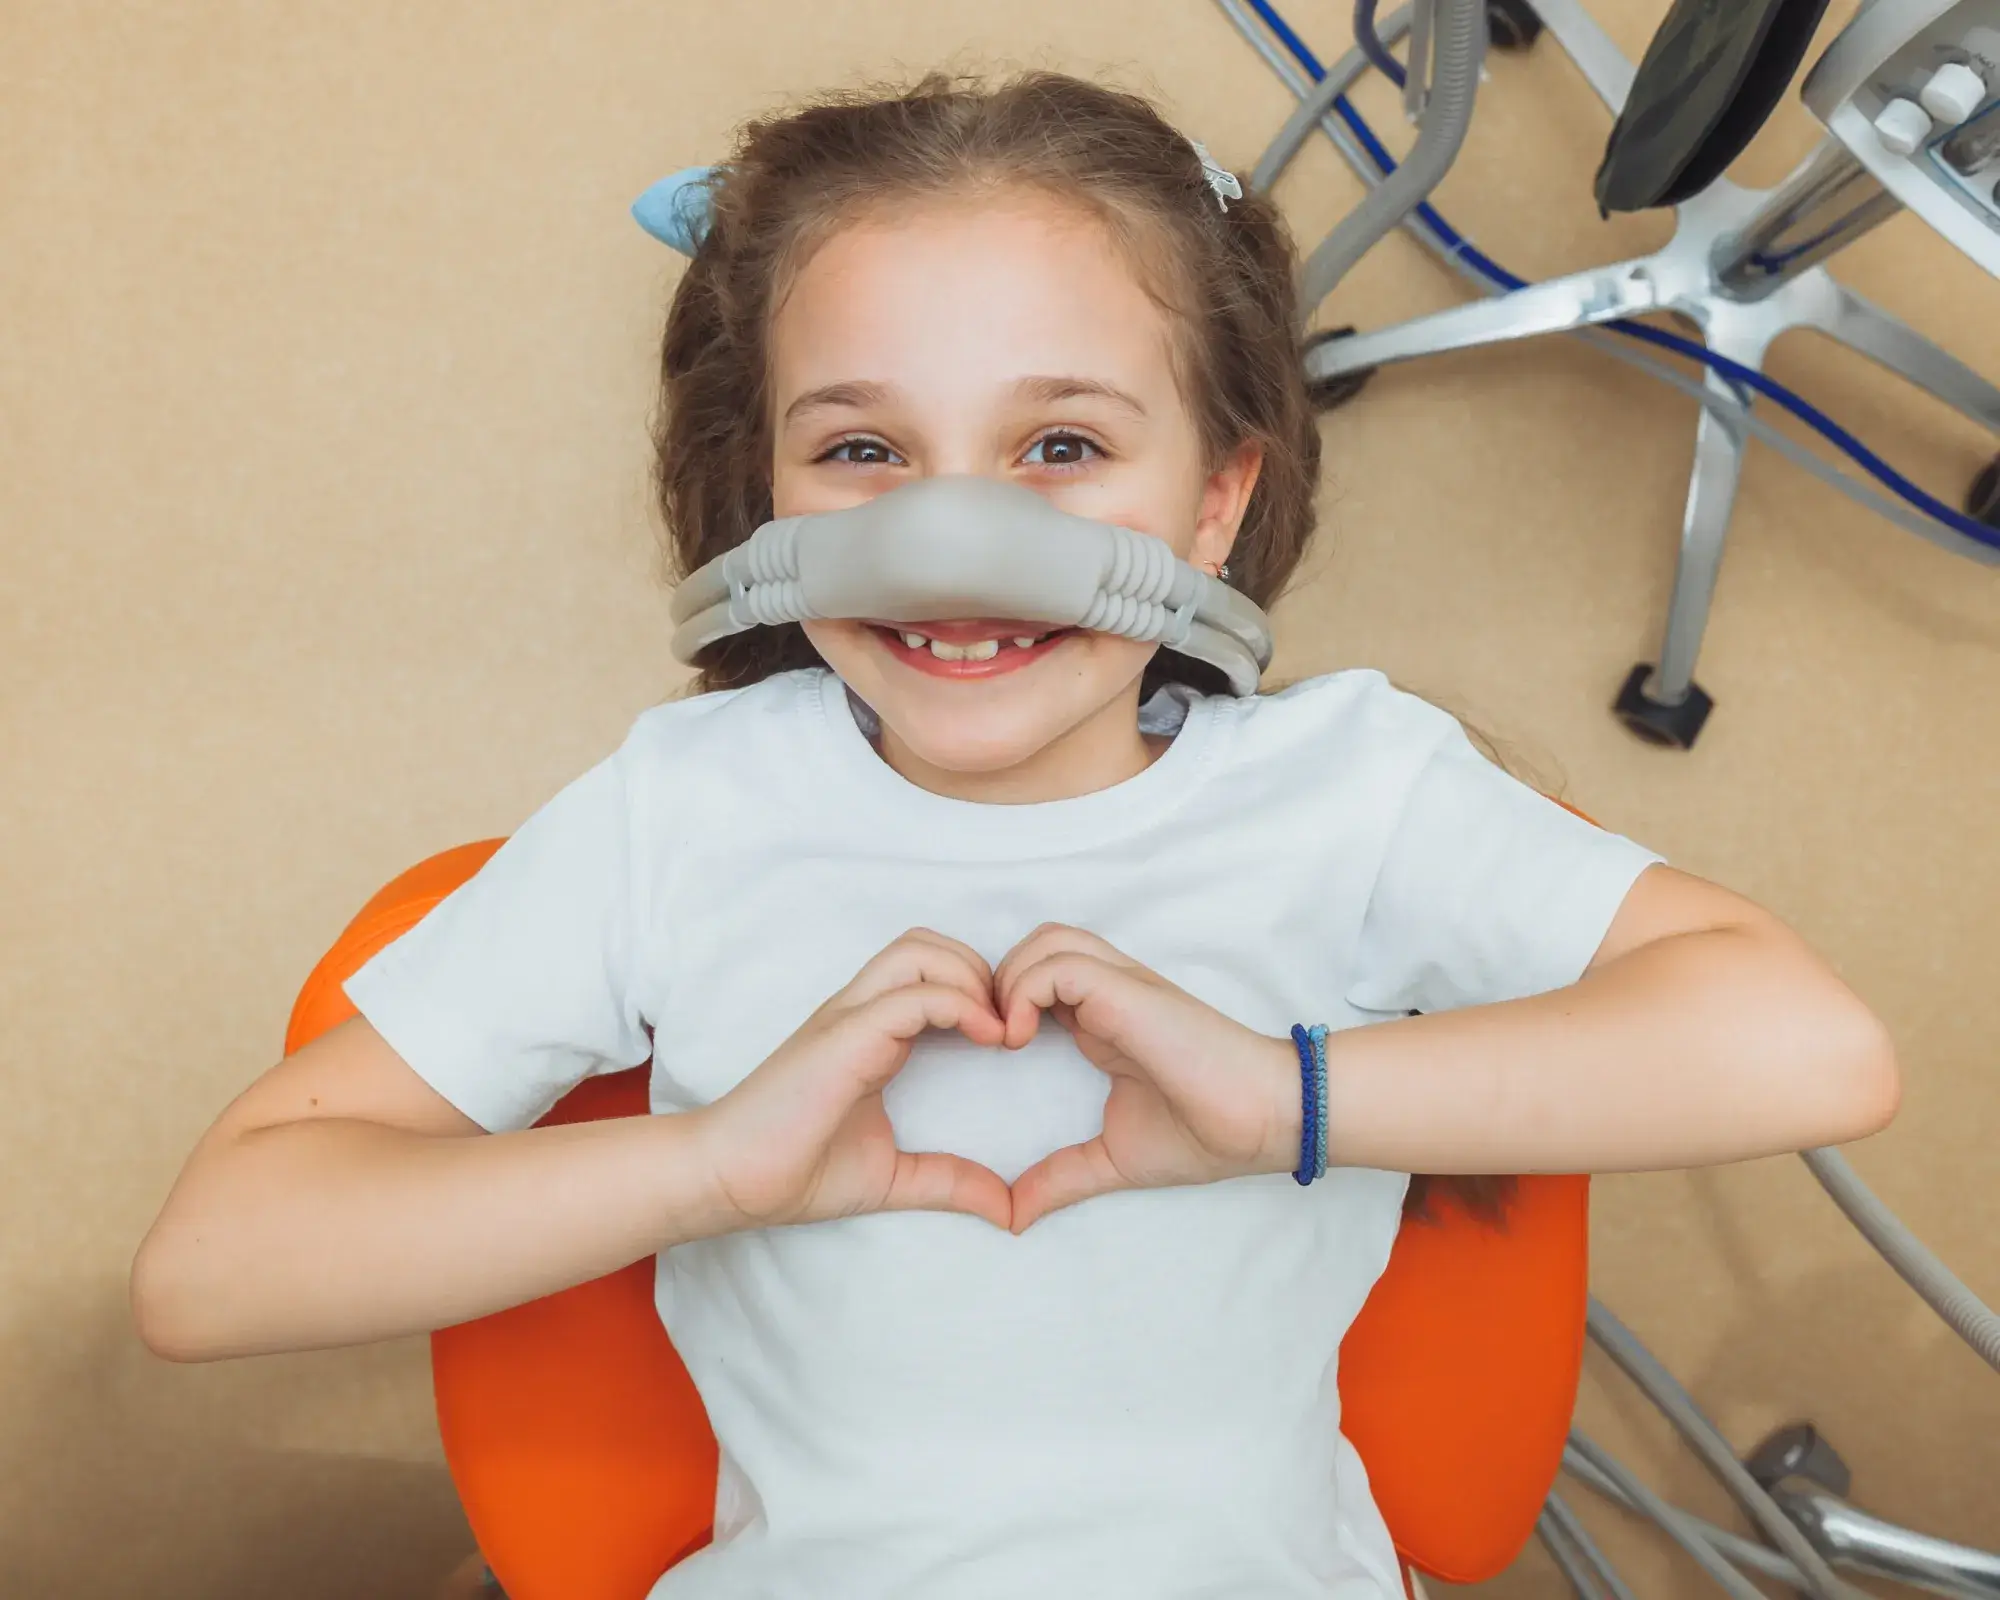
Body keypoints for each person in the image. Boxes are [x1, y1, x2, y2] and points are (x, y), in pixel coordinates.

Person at [131, 70, 1901, 1600]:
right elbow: (212, 1268)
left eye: (1058, 444)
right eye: (863, 453)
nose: (953, 538)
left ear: (1217, 502)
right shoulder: (687, 812)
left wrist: (1278, 1101)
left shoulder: (1355, 796)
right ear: (761, 501)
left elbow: (1809, 1048)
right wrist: (716, 1170)